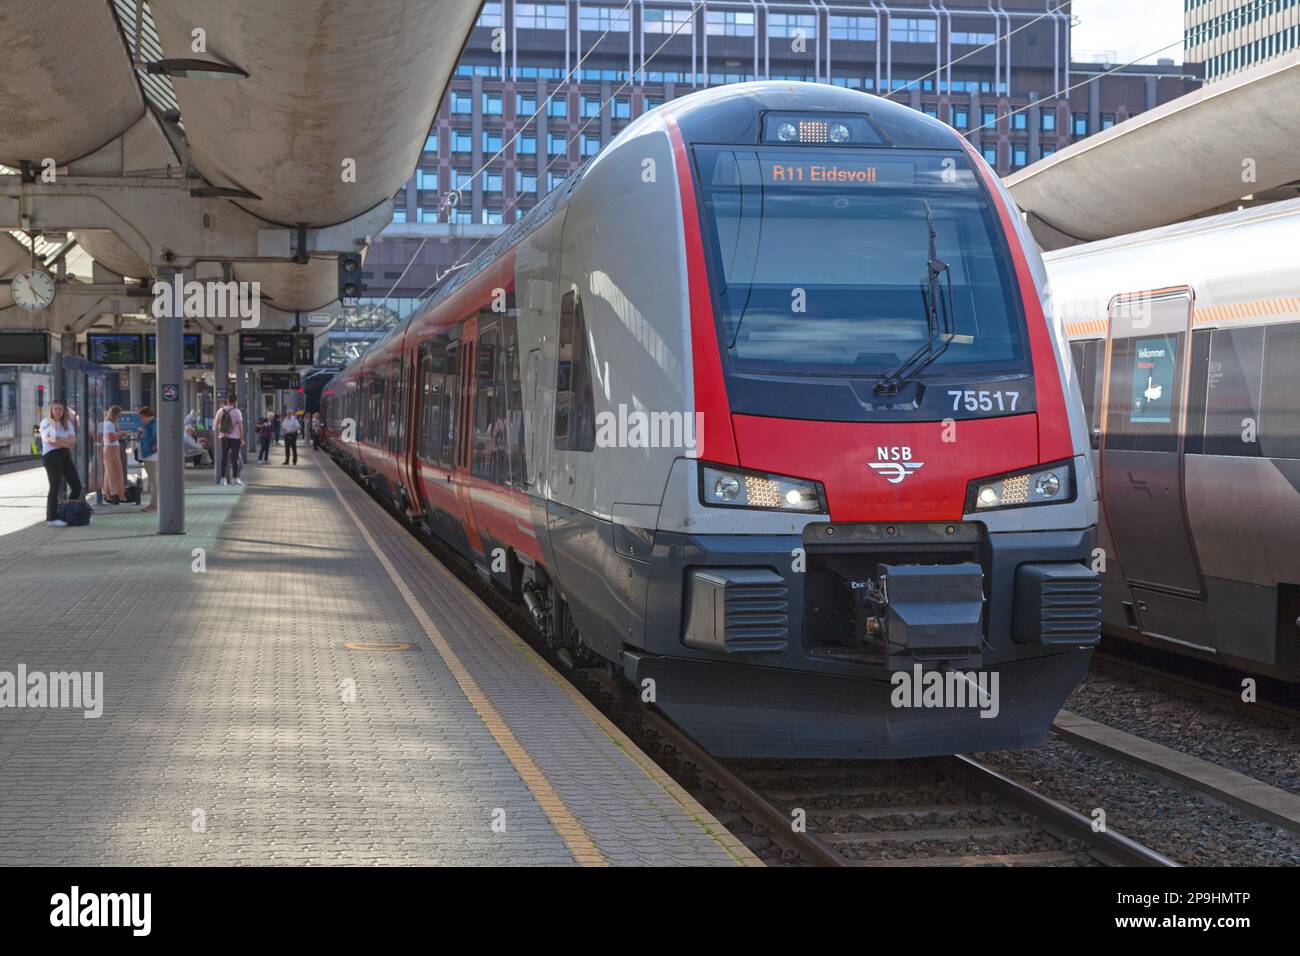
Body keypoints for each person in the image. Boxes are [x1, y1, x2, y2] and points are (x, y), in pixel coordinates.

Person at [40, 401, 83, 527]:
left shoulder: (67, 423)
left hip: (64, 455)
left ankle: (68, 512)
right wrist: (67, 443)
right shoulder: (48, 422)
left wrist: (62, 441)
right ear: (51, 410)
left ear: (64, 411)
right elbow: (51, 441)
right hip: (52, 456)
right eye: (56, 409)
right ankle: (52, 518)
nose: (58, 411)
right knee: (55, 486)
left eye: (60, 409)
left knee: (76, 485)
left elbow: (74, 440)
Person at [213, 394, 245, 486]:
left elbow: (216, 424)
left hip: (224, 437)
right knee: (235, 459)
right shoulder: (237, 411)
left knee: (224, 458)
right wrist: (242, 439)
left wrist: (224, 430)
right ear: (235, 401)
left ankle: (223, 479)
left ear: (227, 400)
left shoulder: (221, 410)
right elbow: (240, 426)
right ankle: (236, 478)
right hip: (235, 438)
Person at [100, 405, 126, 504]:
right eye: (119, 414)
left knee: (109, 472)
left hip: (110, 449)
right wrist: (121, 434)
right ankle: (117, 495)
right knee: (116, 472)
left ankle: (109, 495)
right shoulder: (110, 424)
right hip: (111, 449)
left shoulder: (108, 424)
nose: (120, 416)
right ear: (115, 414)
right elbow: (111, 438)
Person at [137, 406, 158, 512]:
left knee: (153, 480)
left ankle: (153, 505)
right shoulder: (150, 424)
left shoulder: (153, 424)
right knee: (153, 480)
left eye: (142, 416)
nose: (141, 419)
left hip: (150, 454)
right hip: (149, 454)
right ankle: (153, 504)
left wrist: (151, 446)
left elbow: (154, 436)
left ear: (146, 415)